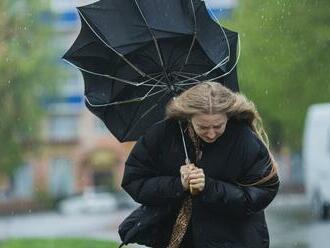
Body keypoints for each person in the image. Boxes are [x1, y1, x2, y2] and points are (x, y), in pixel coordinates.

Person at [121, 81, 280, 248]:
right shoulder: (162, 135)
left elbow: (262, 192)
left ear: (228, 116)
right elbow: (134, 181)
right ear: (189, 117)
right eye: (203, 127)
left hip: (233, 241)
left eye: (218, 126)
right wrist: (178, 184)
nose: (211, 134)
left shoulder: (245, 140)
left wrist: (209, 187)